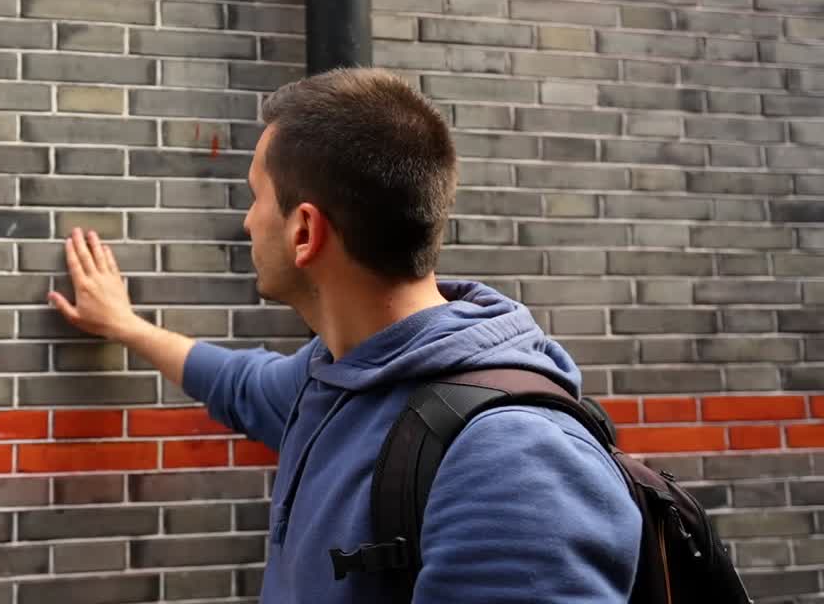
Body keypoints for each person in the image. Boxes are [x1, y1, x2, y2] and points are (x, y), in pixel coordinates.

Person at [47, 67, 641, 603]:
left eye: (255, 197)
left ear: (305, 231)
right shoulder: (334, 376)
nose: (247, 220)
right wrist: (123, 325)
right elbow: (238, 383)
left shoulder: (511, 462)